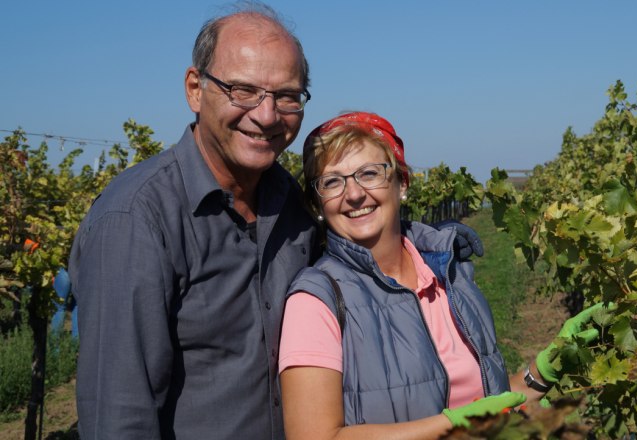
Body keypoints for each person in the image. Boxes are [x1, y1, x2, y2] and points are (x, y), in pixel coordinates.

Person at [69, 5, 481, 439]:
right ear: (195, 89)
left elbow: (375, 246)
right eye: (242, 90)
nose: (267, 116)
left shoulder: (293, 205)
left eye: (287, 95)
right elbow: (117, 416)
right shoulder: (136, 219)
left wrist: (437, 248)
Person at [279, 111, 609, 439]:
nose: (353, 194)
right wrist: (454, 425)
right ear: (318, 204)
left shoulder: (449, 275)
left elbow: (484, 404)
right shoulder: (316, 300)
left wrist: (542, 371)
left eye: (369, 173)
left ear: (402, 183)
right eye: (332, 182)